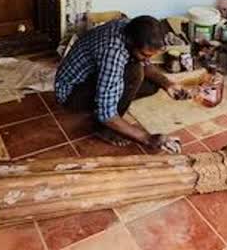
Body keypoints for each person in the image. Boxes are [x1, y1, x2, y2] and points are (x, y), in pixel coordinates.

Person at [55, 15, 183, 151]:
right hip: (71, 93)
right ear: (131, 42)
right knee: (134, 72)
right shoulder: (113, 52)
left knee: (152, 84)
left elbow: (145, 63)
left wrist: (168, 84)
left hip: (92, 75)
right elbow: (106, 113)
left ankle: (115, 106)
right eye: (145, 55)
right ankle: (103, 129)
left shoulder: (132, 28)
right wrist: (147, 138)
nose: (147, 59)